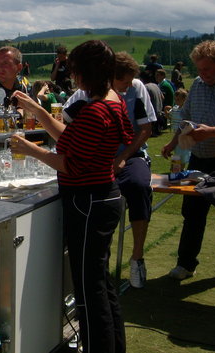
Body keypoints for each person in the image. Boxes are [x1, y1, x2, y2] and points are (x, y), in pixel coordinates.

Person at [10, 40, 133, 353]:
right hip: (102, 198)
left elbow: (70, 164)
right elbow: (71, 139)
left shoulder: (95, 110)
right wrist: (37, 110)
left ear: (84, 73)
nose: (73, 77)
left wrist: (29, 149)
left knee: (89, 292)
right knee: (102, 285)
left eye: (76, 71)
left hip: (89, 201)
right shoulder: (112, 100)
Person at [63, 51, 155, 289]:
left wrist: (123, 157)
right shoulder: (83, 93)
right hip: (99, 158)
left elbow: (145, 130)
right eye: (122, 83)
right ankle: (99, 260)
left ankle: (136, 257)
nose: (126, 89)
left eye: (127, 85)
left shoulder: (137, 87)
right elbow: (64, 118)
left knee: (138, 185)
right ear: (108, 78)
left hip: (131, 154)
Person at [161, 40, 215, 283]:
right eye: (199, 69)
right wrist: (174, 142)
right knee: (192, 213)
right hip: (199, 157)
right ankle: (186, 263)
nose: (202, 74)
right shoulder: (197, 84)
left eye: (207, 69)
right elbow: (186, 119)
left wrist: (211, 132)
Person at [140, 70, 164, 136]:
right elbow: (163, 97)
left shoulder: (145, 87)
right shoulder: (155, 85)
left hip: (152, 116)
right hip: (159, 113)